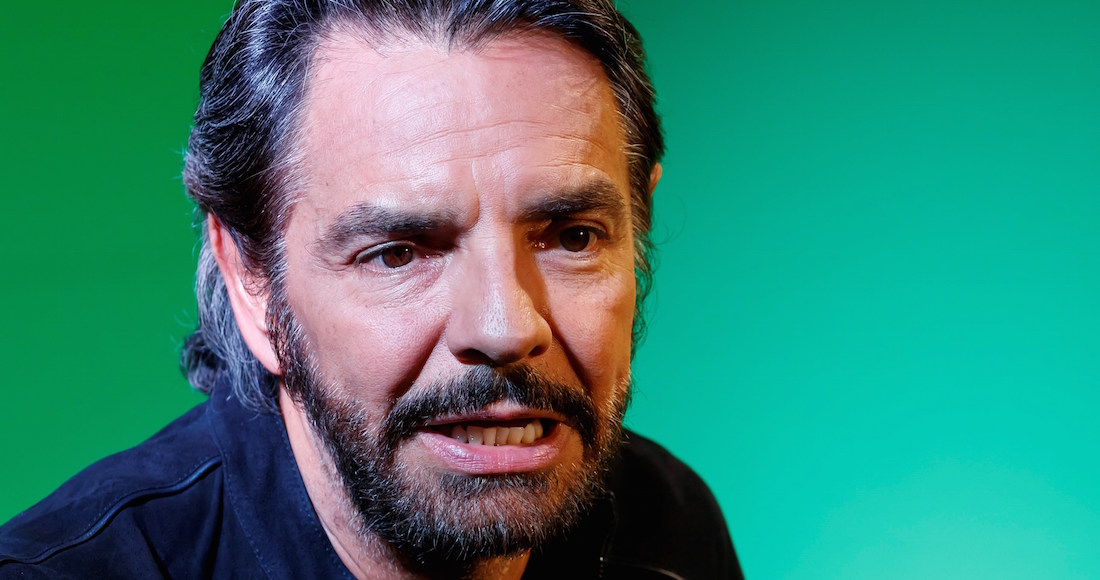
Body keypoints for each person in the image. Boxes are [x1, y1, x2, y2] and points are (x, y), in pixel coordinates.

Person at [0, 1, 742, 577]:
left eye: (572, 237)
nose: (506, 326)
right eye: (397, 254)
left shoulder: (667, 525)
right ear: (250, 280)